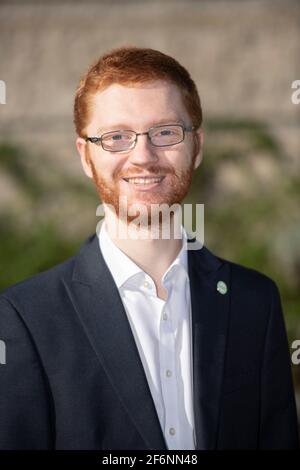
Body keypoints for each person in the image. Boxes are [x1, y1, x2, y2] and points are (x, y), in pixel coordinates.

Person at [0, 46, 298, 450]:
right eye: (116, 137)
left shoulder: (255, 301)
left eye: (165, 132)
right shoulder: (24, 318)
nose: (143, 156)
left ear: (197, 147)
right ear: (85, 156)